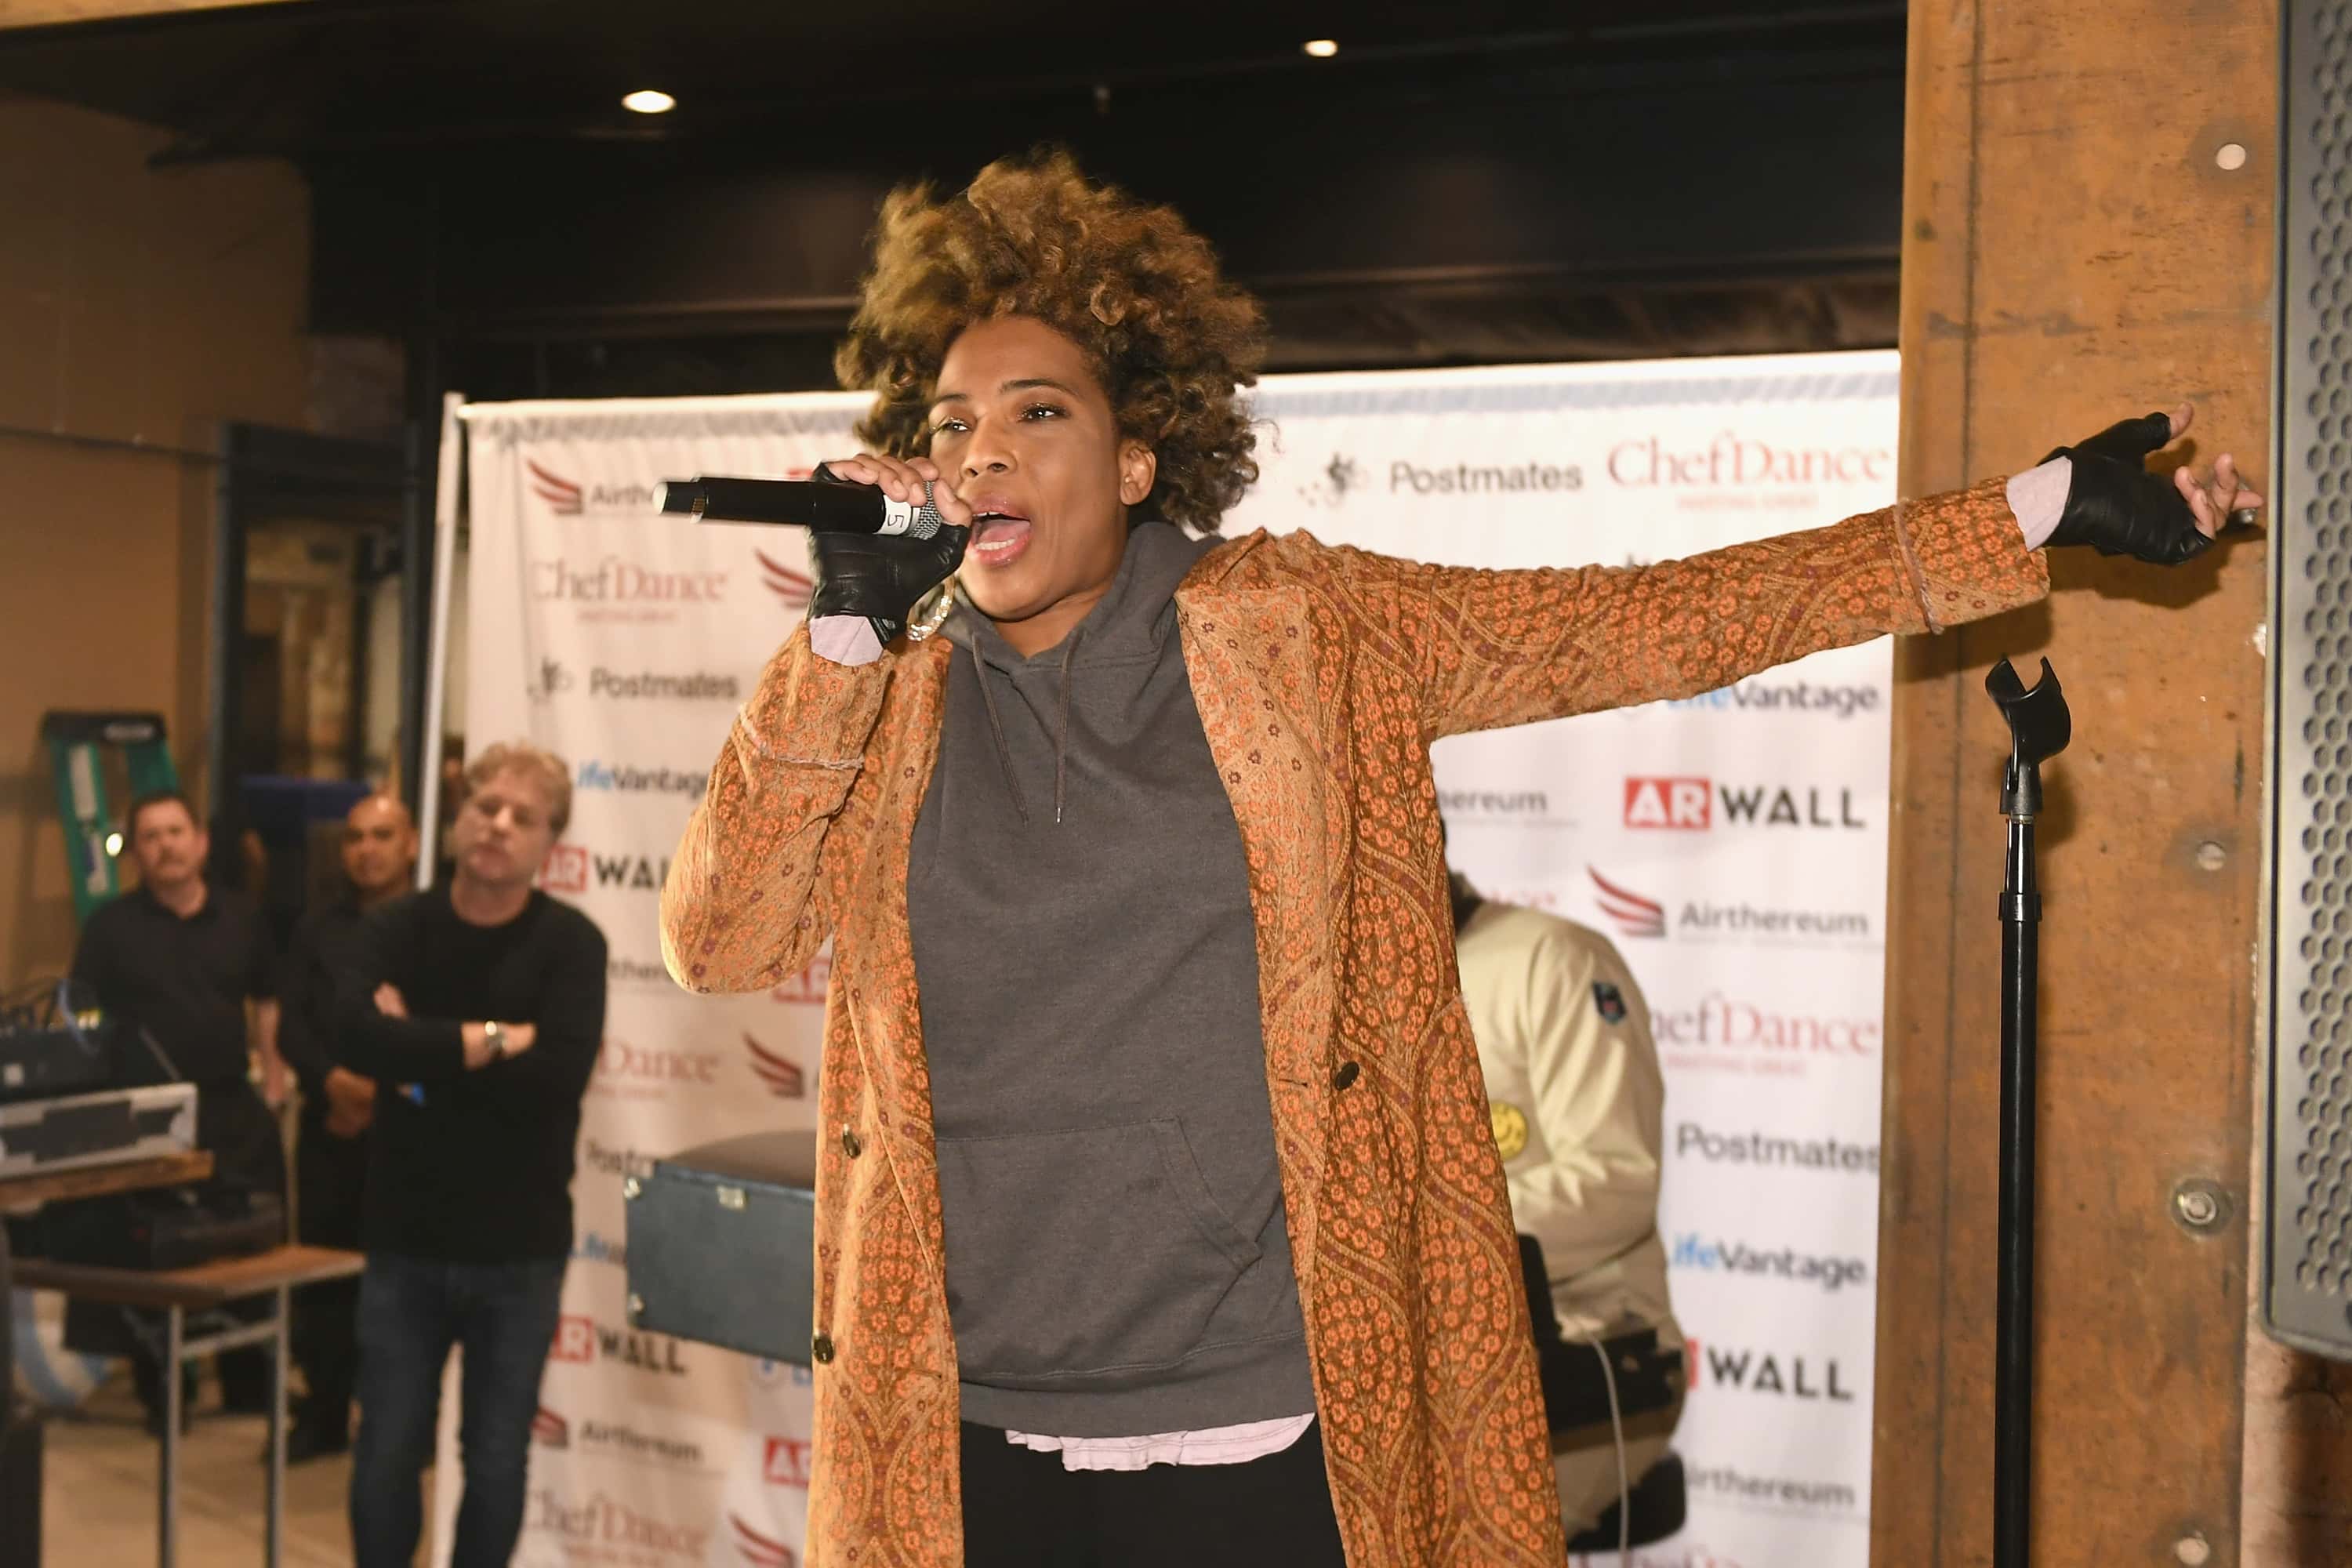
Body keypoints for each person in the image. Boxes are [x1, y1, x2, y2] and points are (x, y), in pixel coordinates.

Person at [658, 151, 2260, 1568]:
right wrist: (845, 641)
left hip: (1269, 1437)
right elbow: (723, 939)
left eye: (1037, 412)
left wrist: (2032, 511)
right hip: (962, 1448)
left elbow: (1663, 618)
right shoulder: (884, 693)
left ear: (1141, 459)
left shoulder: (1308, 629)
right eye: (950, 426)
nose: (982, 454)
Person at [331, 742, 607, 1568]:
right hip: (404, 1239)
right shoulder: (393, 926)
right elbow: (356, 1037)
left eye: (523, 816)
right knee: (384, 1452)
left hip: (517, 1251)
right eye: (485, 805)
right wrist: (494, 1040)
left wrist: (420, 1047)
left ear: (549, 843)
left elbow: (556, 1077)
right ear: (456, 819)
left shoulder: (572, 944)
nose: (498, 824)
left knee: (493, 1461)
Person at [1449, 869, 1682, 1537]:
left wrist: (1438, 1233)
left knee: (1447, 1541)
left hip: (1593, 1352)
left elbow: (1619, 1178)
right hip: (1426, 1369)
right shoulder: (1350, 977)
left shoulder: (1551, 958)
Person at [67, 788, 288, 1432]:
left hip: (230, 1108)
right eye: (151, 837)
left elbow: (269, 1000)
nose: (165, 845)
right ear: (136, 853)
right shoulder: (110, 928)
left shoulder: (243, 917)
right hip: (146, 1118)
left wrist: (273, 1078)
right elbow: (84, 1016)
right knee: (153, 1254)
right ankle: (162, 1394)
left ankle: (249, 1384)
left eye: (175, 832)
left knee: (244, 1247)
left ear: (200, 842)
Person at [274, 792, 418, 1463]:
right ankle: (323, 1411)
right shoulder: (315, 929)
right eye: (356, 837)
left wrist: (379, 1091)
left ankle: (402, 1427)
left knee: (405, 1281)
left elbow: (438, 1022)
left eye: (382, 835)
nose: (367, 849)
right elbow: (295, 1023)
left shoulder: (434, 923)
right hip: (330, 1125)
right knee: (324, 1279)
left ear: (411, 843)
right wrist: (333, 1082)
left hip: (409, 1128)